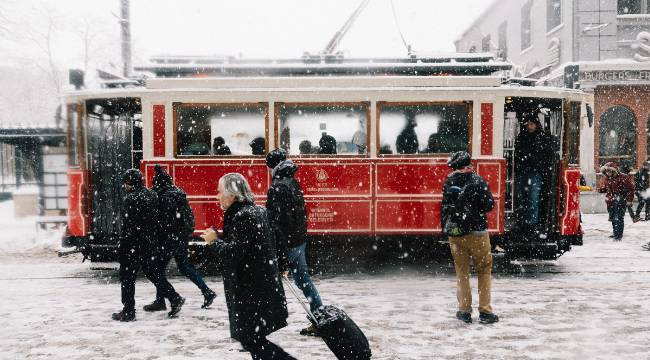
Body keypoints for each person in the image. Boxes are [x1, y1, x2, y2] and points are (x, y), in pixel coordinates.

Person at [201, 173, 295, 360]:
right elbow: (278, 239)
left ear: (232, 195)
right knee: (253, 340)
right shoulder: (257, 211)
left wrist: (214, 242)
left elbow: (232, 254)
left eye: (220, 192)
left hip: (252, 292)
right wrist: (283, 263)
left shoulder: (244, 216)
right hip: (260, 289)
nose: (217, 196)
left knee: (252, 340)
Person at [112, 169, 185, 321]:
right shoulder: (152, 195)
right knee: (154, 275)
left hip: (132, 245)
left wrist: (122, 245)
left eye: (126, 183)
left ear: (130, 183)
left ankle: (128, 310)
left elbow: (128, 226)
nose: (124, 186)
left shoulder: (130, 199)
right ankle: (174, 297)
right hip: (149, 244)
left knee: (127, 278)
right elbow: (158, 220)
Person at [142, 165, 217, 312]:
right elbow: (186, 218)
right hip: (180, 237)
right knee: (184, 266)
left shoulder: (164, 197)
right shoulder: (178, 193)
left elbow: (162, 222)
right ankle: (207, 292)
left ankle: (165, 300)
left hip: (169, 238)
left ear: (158, 183)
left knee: (157, 269)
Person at [266, 149, 324, 336]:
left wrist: (280, 252)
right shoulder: (292, 181)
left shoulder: (277, 186)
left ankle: (265, 324)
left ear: (273, 166)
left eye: (268, 167)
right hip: (299, 240)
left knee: (271, 281)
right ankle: (319, 317)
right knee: (303, 280)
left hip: (288, 242)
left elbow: (276, 223)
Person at [441, 151, 498, 325]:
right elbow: (489, 205)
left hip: (456, 234)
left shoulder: (449, 181)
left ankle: (464, 311)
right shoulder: (478, 181)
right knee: (484, 270)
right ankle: (486, 312)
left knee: (462, 272)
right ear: (469, 166)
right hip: (478, 232)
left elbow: (444, 207)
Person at [514, 113, 554, 232]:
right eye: (528, 124)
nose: (529, 127)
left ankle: (530, 222)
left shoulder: (541, 138)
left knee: (532, 198)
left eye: (531, 124)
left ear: (536, 125)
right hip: (525, 171)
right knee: (523, 198)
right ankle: (524, 221)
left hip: (534, 172)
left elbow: (545, 156)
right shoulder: (524, 137)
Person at [599, 162, 635, 241]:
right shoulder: (608, 178)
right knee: (613, 218)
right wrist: (603, 190)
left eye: (609, 171)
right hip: (610, 201)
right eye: (606, 172)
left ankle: (618, 235)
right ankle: (615, 233)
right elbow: (607, 188)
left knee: (619, 218)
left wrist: (629, 200)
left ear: (613, 171)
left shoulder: (623, 177)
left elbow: (631, 189)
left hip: (620, 200)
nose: (608, 173)